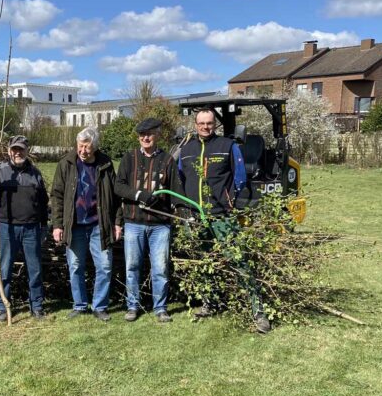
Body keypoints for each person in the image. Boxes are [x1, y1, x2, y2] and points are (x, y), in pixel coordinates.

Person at [178, 108, 271, 333]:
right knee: (204, 262)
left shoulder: (228, 147)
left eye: (209, 123)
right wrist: (185, 209)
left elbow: (240, 178)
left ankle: (258, 313)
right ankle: (211, 303)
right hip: (196, 216)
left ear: (214, 125)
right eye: (201, 123)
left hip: (222, 216)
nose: (205, 127)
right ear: (195, 124)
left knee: (240, 262)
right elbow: (180, 178)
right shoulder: (186, 149)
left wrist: (230, 204)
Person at [51, 127, 121, 322]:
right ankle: (80, 305)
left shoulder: (105, 164)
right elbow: (56, 195)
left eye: (87, 148)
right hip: (74, 225)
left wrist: (117, 222)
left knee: (105, 266)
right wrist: (57, 225)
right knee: (75, 266)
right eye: (80, 146)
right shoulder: (66, 163)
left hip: (100, 225)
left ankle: (100, 306)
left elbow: (115, 197)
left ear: (95, 148)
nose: (83, 151)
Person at [115, 118, 177, 323]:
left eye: (149, 134)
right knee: (132, 266)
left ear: (157, 135)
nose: (145, 138)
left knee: (160, 268)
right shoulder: (129, 158)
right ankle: (133, 306)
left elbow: (176, 192)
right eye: (142, 135)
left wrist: (183, 211)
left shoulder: (167, 160)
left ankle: (160, 308)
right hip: (133, 222)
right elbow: (119, 187)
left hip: (160, 224)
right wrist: (139, 194)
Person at [0, 135, 49, 321]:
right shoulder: (1, 172)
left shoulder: (35, 173)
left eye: (21, 149)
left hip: (31, 228)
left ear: (27, 151)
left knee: (35, 269)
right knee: (4, 268)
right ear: (8, 150)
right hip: (7, 227)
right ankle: (2, 305)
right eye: (14, 149)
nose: (17, 153)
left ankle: (36, 305)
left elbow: (43, 203)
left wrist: (44, 225)